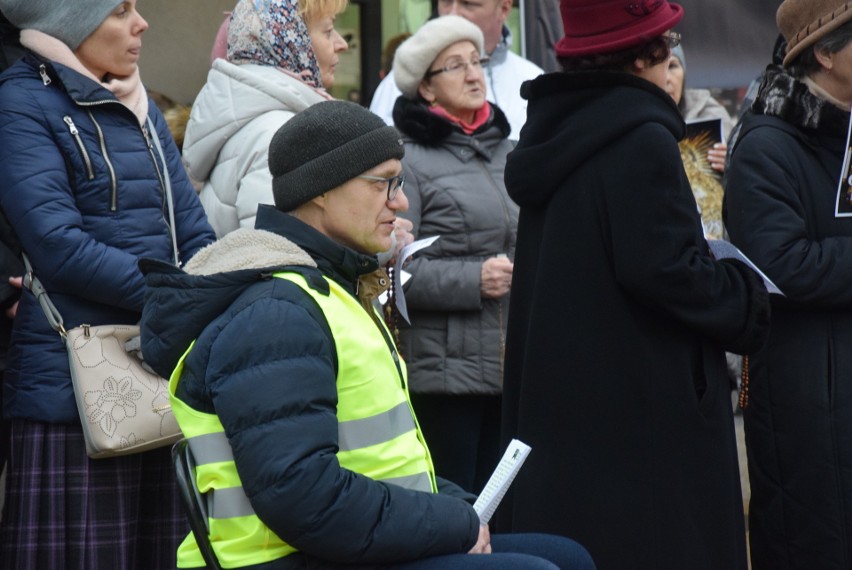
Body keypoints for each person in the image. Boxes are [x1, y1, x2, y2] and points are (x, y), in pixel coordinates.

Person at [139, 100, 595, 570]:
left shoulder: (328, 289)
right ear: (321, 189)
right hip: (281, 558)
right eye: (384, 183)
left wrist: (456, 508)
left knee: (566, 556)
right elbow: (303, 498)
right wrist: (451, 523)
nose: (399, 202)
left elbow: (375, 468)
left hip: (336, 546)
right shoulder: (277, 312)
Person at [499, 1, 771, 569]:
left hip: (577, 416)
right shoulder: (638, 138)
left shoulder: (559, 132)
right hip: (645, 422)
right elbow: (670, 272)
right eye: (666, 47)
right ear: (644, 56)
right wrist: (743, 288)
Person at [0, 0, 215, 567]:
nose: (141, 24)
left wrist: (208, 290)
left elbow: (193, 229)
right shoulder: (21, 101)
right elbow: (59, 247)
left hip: (161, 370)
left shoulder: (137, 103)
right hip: (73, 390)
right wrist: (179, 298)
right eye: (120, 11)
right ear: (68, 22)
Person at [723, 1, 852, 567]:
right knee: (815, 539)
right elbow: (783, 264)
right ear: (825, 53)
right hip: (807, 391)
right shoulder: (768, 143)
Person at [390, 15, 517, 494]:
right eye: (455, 66)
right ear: (426, 89)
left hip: (511, 370)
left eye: (477, 61)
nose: (473, 74)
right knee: (460, 511)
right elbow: (394, 272)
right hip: (444, 379)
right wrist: (474, 279)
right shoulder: (407, 160)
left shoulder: (509, 151)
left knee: (504, 513)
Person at [183, 0, 348, 237]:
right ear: (291, 41)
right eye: (328, 31)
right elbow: (276, 255)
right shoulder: (279, 134)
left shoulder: (263, 122)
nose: (341, 44)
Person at [369, 0, 543, 140]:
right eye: (446, 2)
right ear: (425, 88)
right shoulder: (400, 83)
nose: (452, 13)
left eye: (467, 4)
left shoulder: (533, 79)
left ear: (504, 8)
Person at [666, 44, 734, 173]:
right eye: (658, 68)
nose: (666, 78)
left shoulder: (710, 112)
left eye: (672, 66)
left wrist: (732, 163)